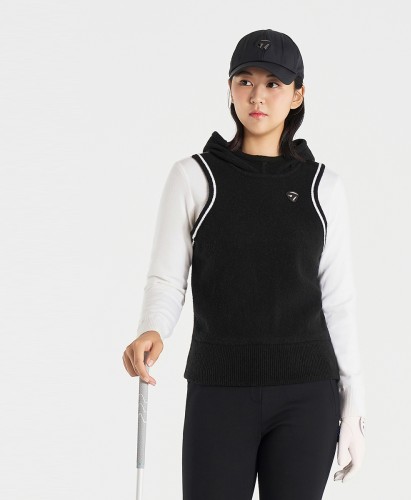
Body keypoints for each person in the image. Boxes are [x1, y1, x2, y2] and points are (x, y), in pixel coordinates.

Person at [122, 28, 366, 500]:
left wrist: (354, 405)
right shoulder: (195, 177)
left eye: (273, 83)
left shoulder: (323, 188)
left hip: (307, 396)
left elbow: (339, 302)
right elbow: (167, 279)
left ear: (297, 95)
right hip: (219, 391)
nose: (257, 95)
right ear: (230, 89)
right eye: (245, 81)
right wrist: (152, 328)